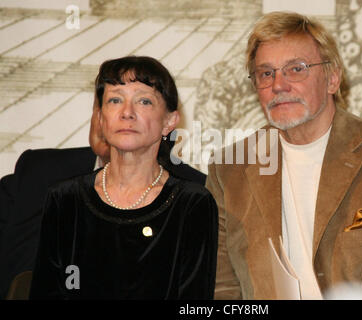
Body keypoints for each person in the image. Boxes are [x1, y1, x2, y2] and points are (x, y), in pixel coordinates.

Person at [207, 11, 362, 300]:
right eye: (266, 73)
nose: (278, 85)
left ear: (332, 79)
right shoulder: (229, 169)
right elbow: (221, 290)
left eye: (296, 69)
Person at [8, 56, 216, 300]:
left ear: (169, 121)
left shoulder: (193, 204)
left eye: (144, 101)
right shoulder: (65, 199)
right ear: (100, 117)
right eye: (115, 100)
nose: (127, 113)